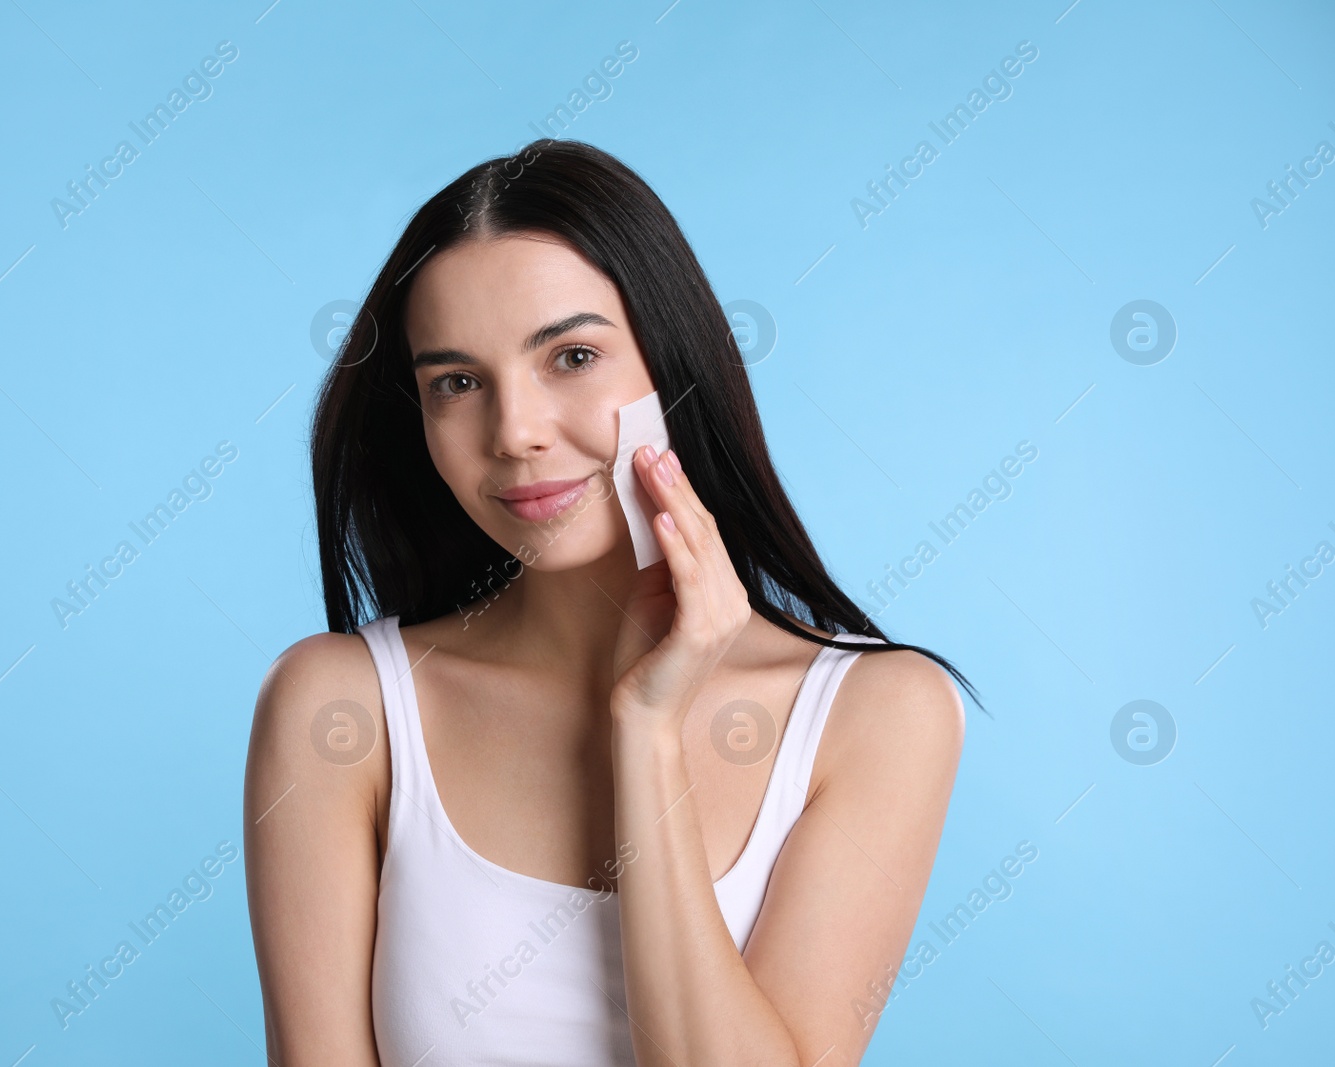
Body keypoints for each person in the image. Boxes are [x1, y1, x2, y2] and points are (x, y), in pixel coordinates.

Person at [244, 139, 976, 1066]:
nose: (514, 433)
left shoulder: (877, 714)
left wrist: (646, 727)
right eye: (457, 383)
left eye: (573, 356)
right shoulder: (338, 709)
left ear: (673, 369)